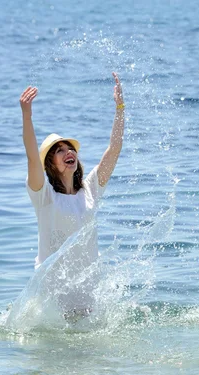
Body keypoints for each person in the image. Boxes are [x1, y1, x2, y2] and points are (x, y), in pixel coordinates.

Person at [19, 72, 125, 320]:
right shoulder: (43, 196)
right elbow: (32, 156)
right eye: (59, 151)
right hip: (52, 304)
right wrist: (26, 114)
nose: (68, 152)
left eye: (70, 149)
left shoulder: (90, 190)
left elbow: (115, 149)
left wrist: (120, 108)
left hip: (89, 298)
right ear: (50, 164)